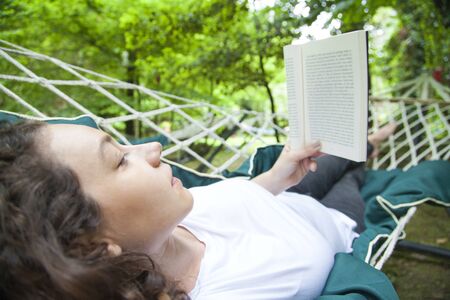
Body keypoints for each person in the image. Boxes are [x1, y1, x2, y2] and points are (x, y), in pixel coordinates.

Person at [0, 120, 396, 300]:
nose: (152, 149)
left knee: (335, 151)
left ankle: (367, 142)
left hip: (287, 192)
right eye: (120, 160)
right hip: (336, 219)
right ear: (98, 249)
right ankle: (370, 149)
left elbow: (231, 205)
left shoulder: (164, 220)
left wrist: (276, 178)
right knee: (353, 176)